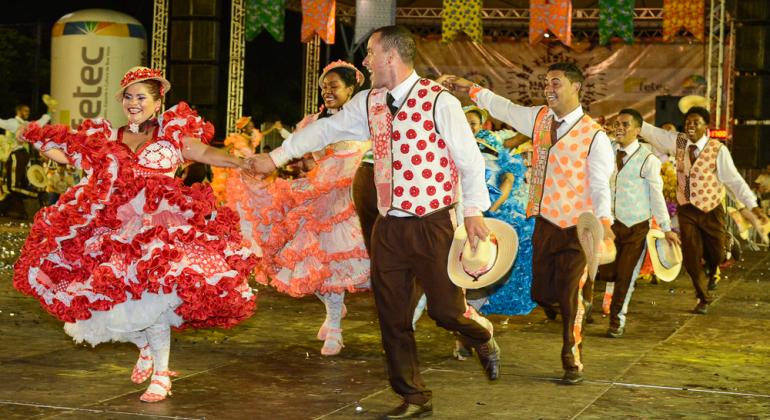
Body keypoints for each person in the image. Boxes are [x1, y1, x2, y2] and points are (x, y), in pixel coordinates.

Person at [248, 26, 498, 419]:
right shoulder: (370, 102)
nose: (364, 61)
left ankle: (481, 335)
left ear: (391, 56)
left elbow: (470, 160)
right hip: (389, 226)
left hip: (433, 222)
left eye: (369, 53)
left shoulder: (439, 102)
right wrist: (276, 157)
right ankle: (414, 396)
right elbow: (325, 130)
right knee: (392, 315)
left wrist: (474, 212)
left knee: (445, 312)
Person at [14, 67, 258, 403]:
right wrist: (38, 141)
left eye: (141, 97)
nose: (133, 103)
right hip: (116, 226)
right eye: (128, 96)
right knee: (111, 302)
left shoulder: (172, 135)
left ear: (157, 102)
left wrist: (238, 162)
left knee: (153, 301)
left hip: (161, 225)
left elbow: (203, 153)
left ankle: (161, 373)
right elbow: (71, 155)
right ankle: (145, 346)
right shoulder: (109, 136)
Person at [440, 62, 615, 385]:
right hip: (545, 221)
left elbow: (601, 184)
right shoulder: (538, 119)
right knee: (542, 293)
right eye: (546, 83)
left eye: (556, 83)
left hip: (579, 227)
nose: (549, 88)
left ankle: (571, 356)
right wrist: (471, 90)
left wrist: (604, 222)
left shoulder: (596, 136)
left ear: (576, 87)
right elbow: (503, 107)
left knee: (570, 296)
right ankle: (575, 303)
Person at [228, 60, 371, 356]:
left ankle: (334, 325)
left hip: (351, 197)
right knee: (306, 262)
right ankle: (334, 318)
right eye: (323, 87)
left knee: (336, 263)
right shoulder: (312, 123)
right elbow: (296, 155)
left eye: (334, 86)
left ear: (351, 88)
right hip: (316, 198)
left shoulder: (366, 121)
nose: (327, 91)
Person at [640, 107, 768, 314]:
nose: (690, 125)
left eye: (696, 122)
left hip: (712, 209)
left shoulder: (718, 150)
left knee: (716, 252)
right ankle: (703, 298)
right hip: (687, 209)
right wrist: (636, 121)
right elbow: (655, 134)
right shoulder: (678, 141)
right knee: (690, 256)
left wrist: (752, 205)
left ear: (706, 126)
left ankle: (715, 261)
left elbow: (733, 180)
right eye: (688, 122)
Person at [598, 109, 680, 338]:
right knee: (604, 271)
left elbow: (657, 196)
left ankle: (617, 319)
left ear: (637, 130)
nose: (619, 128)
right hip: (609, 224)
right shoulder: (607, 151)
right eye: (617, 124)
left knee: (626, 275)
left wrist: (666, 228)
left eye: (625, 124)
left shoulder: (648, 160)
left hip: (635, 226)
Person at [0, 134, 39, 218]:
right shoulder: (20, 153)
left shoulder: (17, 154)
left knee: (12, 189)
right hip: (16, 187)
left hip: (15, 188)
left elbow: (13, 183)